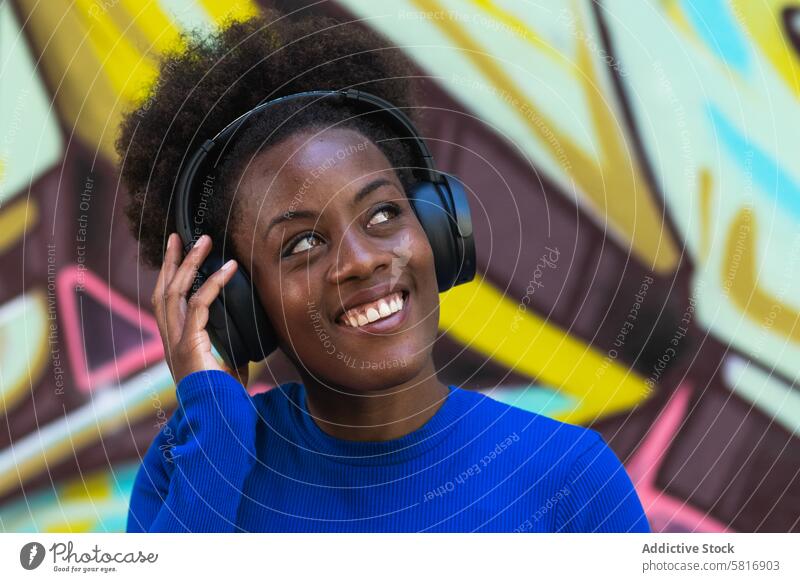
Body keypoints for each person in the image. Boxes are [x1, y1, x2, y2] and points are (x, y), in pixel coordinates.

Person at [116, 8, 650, 533]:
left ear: (438, 232)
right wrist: (218, 433)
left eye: (382, 213)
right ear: (241, 302)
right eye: (303, 242)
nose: (363, 259)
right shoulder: (195, 470)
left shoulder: (568, 476)